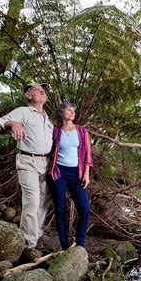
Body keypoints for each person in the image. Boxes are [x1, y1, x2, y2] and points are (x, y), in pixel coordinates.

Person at [0, 82, 53, 260]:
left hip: (47, 164)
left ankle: (37, 236)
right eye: (37, 89)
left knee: (44, 202)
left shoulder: (47, 118)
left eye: (43, 90)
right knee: (32, 202)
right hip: (28, 161)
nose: (41, 91)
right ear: (28, 95)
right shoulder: (23, 111)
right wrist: (13, 124)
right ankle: (28, 246)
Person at [49, 101, 93, 250]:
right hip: (58, 172)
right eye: (69, 110)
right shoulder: (55, 131)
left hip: (77, 173)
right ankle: (64, 246)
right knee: (60, 209)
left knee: (85, 209)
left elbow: (87, 154)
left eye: (73, 110)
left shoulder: (81, 131)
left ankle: (79, 244)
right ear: (61, 113)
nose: (72, 112)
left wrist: (86, 174)